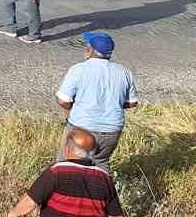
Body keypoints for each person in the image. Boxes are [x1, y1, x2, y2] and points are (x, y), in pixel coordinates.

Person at [56, 31, 138, 168]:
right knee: (100, 165)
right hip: (111, 131)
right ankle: (102, 188)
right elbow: (132, 102)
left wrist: (69, 114)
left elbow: (63, 100)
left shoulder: (79, 69)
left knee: (67, 165)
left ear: (90, 50)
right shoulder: (124, 72)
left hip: (81, 128)